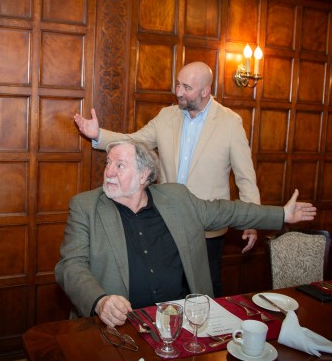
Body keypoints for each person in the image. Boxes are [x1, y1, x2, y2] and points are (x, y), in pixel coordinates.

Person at [55, 140, 316, 328]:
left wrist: (282, 215)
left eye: (120, 165)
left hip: (184, 321)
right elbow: (70, 266)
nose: (109, 171)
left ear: (144, 175)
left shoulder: (177, 199)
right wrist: (100, 301)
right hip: (120, 328)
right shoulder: (85, 206)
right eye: (109, 163)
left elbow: (228, 211)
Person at [74, 61, 260, 296]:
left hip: (206, 229)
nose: (179, 92)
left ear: (205, 91)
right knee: (167, 289)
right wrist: (98, 135)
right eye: (178, 84)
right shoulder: (166, 116)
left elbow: (245, 176)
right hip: (166, 224)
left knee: (204, 292)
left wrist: (252, 219)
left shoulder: (230, 122)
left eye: (186, 87)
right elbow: (135, 141)